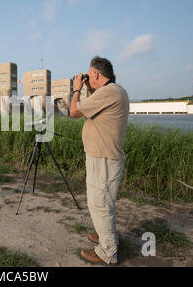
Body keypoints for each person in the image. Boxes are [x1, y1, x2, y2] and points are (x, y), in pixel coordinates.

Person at [70, 56, 129, 265]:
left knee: (100, 204)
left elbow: (75, 111)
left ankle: (107, 252)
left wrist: (77, 88)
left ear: (95, 74)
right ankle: (106, 237)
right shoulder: (113, 91)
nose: (86, 78)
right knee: (105, 203)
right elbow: (91, 107)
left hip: (103, 159)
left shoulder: (109, 92)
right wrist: (88, 89)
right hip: (105, 157)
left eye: (88, 74)